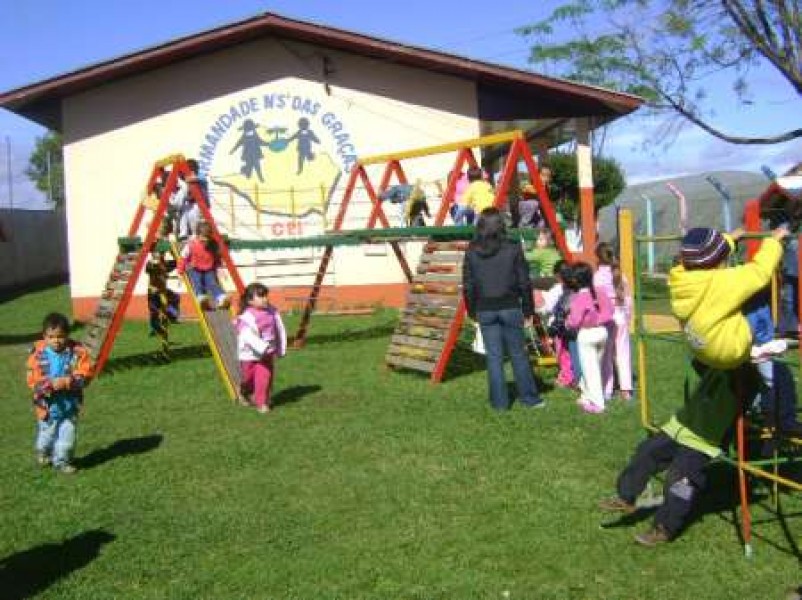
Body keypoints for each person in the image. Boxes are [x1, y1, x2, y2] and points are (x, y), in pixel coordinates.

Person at [599, 225, 801, 547]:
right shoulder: (721, 293)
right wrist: (771, 242)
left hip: (706, 434)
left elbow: (773, 387)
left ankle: (664, 527)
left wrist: (729, 240)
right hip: (688, 418)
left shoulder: (682, 277)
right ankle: (626, 495)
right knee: (648, 451)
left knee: (681, 477)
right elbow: (757, 272)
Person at [462, 207, 545, 411]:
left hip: (485, 309)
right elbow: (524, 282)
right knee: (518, 355)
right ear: (501, 225)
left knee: (494, 357)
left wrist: (472, 311)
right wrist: (528, 310)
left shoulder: (471, 251)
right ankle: (529, 399)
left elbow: (468, 285)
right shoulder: (513, 248)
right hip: (510, 307)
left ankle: (499, 404)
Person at [26, 312, 93, 474]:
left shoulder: (77, 353)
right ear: (44, 336)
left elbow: (85, 375)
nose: (56, 340)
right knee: (47, 436)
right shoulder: (37, 355)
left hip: (69, 407)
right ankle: (43, 452)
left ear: (67, 335)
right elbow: (32, 380)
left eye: (60, 336)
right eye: (51, 337)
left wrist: (67, 381)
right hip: (48, 408)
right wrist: (48, 385)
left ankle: (62, 461)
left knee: (67, 438)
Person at [566, 261, 614, 414]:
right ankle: (586, 396)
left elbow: (574, 321)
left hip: (586, 334)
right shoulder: (600, 291)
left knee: (590, 370)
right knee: (595, 367)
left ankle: (598, 404)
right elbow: (610, 311)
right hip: (602, 331)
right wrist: (599, 319)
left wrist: (567, 322)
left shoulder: (578, 298)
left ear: (575, 280)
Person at [233, 282, 287, 414]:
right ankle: (244, 390)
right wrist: (261, 346)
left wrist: (280, 348)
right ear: (250, 301)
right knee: (249, 379)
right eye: (261, 296)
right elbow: (247, 335)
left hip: (267, 353)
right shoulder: (246, 317)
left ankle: (262, 403)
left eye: (266, 296)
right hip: (249, 354)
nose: (265, 299)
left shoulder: (272, 312)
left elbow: (279, 329)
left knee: (264, 377)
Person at [594, 242, 634, 401]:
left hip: (607, 318)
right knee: (623, 353)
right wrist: (628, 317)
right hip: (621, 316)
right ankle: (626, 389)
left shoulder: (597, 277)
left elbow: (598, 301)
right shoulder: (620, 275)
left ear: (598, 257)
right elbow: (628, 299)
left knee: (607, 355)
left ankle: (607, 389)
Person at [537, 260, 577, 387]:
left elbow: (548, 308)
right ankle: (573, 374)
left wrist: (538, 306)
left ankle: (566, 377)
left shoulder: (558, 289)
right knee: (573, 352)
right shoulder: (577, 286)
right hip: (575, 326)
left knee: (562, 353)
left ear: (558, 276)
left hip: (560, 327)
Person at [178, 221, 230, 310]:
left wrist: (220, 269)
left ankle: (221, 297)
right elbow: (183, 258)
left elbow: (217, 258)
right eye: (202, 240)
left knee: (212, 283)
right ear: (197, 236)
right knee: (197, 282)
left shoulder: (212, 245)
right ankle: (201, 298)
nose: (204, 242)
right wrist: (180, 272)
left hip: (208, 268)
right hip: (194, 268)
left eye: (206, 240)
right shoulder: (191, 245)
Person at [145, 248, 180, 336]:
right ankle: (155, 328)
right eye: (156, 253)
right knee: (154, 311)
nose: (160, 254)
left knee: (175, 297)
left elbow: (177, 262)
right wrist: (154, 262)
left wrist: (173, 253)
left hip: (163, 291)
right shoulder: (150, 263)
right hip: (153, 291)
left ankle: (172, 316)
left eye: (161, 253)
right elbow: (148, 269)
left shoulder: (165, 264)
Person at [170, 158, 207, 240]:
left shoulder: (200, 175)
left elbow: (199, 179)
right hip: (190, 201)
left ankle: (194, 233)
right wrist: (179, 172)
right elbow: (180, 177)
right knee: (183, 214)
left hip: (199, 202)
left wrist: (191, 178)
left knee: (193, 216)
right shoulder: (185, 178)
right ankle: (183, 233)